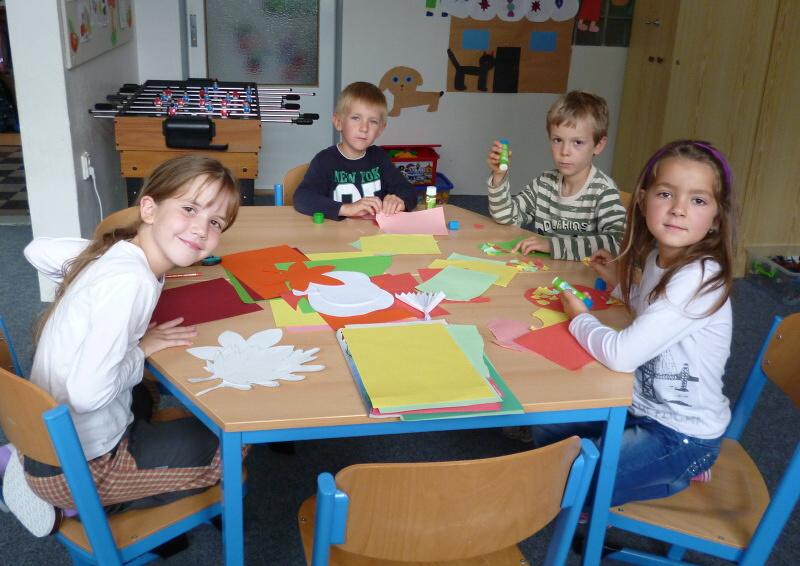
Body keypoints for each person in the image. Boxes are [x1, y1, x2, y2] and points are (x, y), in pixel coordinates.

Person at [2, 155, 242, 538]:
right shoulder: (131, 282)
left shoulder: (115, 252)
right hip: (80, 468)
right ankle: (75, 504)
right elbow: (87, 393)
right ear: (149, 209)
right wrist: (140, 350)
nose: (201, 228)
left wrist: (92, 259)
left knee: (144, 395)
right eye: (189, 208)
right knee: (232, 449)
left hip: (49, 436)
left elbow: (38, 250)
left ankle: (20, 462)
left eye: (215, 222)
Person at [542, 140, 735, 506]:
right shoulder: (658, 258)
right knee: (547, 426)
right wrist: (618, 282)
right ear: (644, 201)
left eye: (697, 200)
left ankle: (676, 473)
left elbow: (622, 355)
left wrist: (578, 317)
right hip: (640, 406)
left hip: (681, 435)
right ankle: (639, 474)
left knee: (569, 474)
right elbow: (651, 310)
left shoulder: (698, 277)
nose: (678, 209)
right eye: (666, 194)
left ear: (716, 218)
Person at [486, 90, 626, 261]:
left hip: (583, 275)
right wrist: (499, 176)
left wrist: (552, 245)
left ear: (598, 145)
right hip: (546, 271)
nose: (565, 151)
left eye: (577, 142)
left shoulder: (604, 191)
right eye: (557, 140)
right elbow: (507, 217)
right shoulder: (544, 183)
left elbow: (617, 243)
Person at [293, 81, 418, 220]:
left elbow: (409, 191)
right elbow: (302, 198)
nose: (364, 128)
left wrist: (400, 201)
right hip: (335, 232)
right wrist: (347, 209)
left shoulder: (380, 158)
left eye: (373, 121)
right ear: (339, 122)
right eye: (356, 118)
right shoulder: (324, 161)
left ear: (380, 129)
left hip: (374, 232)